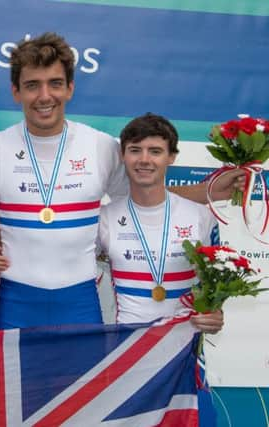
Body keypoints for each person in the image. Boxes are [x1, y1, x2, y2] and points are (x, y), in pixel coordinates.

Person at [0, 32, 242, 330]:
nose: (44, 96)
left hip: (79, 301)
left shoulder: (101, 147)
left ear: (70, 88)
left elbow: (150, 197)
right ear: (15, 92)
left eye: (55, 83)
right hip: (16, 302)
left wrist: (209, 191)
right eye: (32, 85)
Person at [96, 113, 222, 426]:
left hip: (184, 354)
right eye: (135, 150)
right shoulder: (103, 219)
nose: (144, 160)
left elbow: (215, 287)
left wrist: (215, 313)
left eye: (155, 151)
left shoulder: (201, 218)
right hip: (124, 355)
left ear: (171, 157)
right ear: (123, 156)